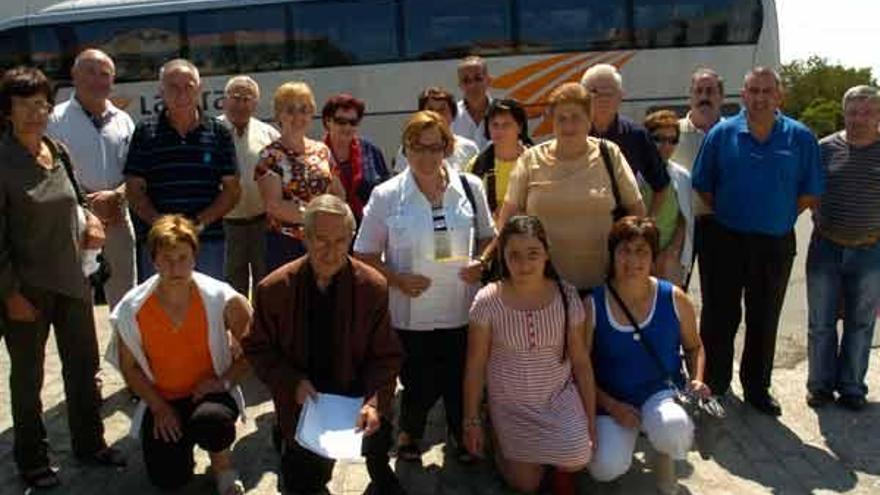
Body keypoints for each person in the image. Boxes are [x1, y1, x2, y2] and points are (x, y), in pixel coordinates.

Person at [0, 66, 125, 489]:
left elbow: (76, 201)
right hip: (26, 291)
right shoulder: (2, 161)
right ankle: (32, 460)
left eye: (41, 103)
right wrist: (10, 293)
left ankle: (90, 444)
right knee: (28, 379)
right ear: (8, 110)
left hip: (72, 282)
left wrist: (90, 220)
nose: (35, 113)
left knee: (83, 368)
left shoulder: (58, 148)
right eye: (24, 105)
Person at [354, 110, 495, 462]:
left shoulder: (469, 187)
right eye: (418, 147)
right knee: (416, 381)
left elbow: (489, 238)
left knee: (458, 378)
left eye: (435, 147)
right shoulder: (387, 195)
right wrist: (396, 279)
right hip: (409, 312)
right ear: (406, 148)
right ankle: (409, 434)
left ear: (447, 147)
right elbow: (363, 254)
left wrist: (483, 261)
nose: (426, 156)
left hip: (461, 306)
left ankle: (462, 436)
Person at [244, 195, 405, 494]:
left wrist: (372, 402)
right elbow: (257, 348)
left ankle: (378, 464)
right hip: (304, 399)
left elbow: (386, 356)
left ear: (351, 239)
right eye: (321, 240)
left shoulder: (371, 286)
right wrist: (291, 382)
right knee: (302, 483)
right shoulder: (274, 289)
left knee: (378, 433)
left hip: (356, 394)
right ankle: (287, 441)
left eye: (340, 241)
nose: (331, 253)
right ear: (304, 237)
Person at [692, 67, 824, 416]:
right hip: (725, 239)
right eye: (753, 90)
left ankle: (757, 388)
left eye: (768, 91)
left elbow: (809, 192)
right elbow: (703, 185)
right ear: (743, 95)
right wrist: (736, 215)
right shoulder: (721, 133)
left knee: (765, 317)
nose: (760, 97)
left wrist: (777, 216)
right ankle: (715, 385)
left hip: (775, 242)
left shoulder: (800, 137)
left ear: (779, 96)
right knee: (720, 315)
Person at [107, 215, 250, 494]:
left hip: (207, 394)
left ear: (194, 257)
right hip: (163, 398)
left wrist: (222, 382)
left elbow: (254, 350)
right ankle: (180, 452)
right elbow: (129, 368)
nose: (176, 267)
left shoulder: (223, 298)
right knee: (168, 479)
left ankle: (222, 467)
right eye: (167, 259)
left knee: (213, 422)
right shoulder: (132, 309)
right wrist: (159, 407)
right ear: (154, 260)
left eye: (183, 257)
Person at [463, 216, 595, 495]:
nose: (523, 265)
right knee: (526, 484)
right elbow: (475, 367)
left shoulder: (567, 296)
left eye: (532, 254)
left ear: (546, 253)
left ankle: (555, 463)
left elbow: (581, 364)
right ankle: (497, 435)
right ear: (503, 258)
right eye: (514, 256)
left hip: (556, 397)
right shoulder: (487, 301)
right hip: (511, 405)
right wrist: (471, 420)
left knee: (580, 456)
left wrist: (590, 422)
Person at [482, 82, 645, 294]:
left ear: (589, 119)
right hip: (544, 289)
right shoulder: (531, 159)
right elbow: (506, 223)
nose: (568, 125)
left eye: (576, 117)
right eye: (561, 118)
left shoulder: (609, 154)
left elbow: (637, 212)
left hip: (603, 287)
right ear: (552, 122)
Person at [587, 216, 709, 495]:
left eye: (641, 251)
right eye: (624, 251)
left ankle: (662, 454)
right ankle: (625, 447)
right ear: (612, 255)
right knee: (605, 466)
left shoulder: (674, 298)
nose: (632, 260)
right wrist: (613, 406)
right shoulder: (592, 305)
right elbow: (579, 369)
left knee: (674, 428)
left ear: (653, 258)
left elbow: (694, 347)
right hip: (612, 401)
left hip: (661, 393)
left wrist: (698, 379)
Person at [125, 59, 240, 282]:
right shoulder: (144, 132)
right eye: (173, 87)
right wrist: (163, 226)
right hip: (160, 242)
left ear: (199, 89)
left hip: (207, 242)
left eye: (188, 86)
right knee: (160, 312)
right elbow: (134, 189)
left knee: (208, 310)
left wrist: (197, 224)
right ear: (161, 91)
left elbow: (232, 190)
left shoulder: (220, 133)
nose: (181, 94)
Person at [806, 85, 880, 411]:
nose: (859, 119)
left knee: (861, 324)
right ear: (844, 113)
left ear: (878, 115)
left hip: (870, 251)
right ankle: (820, 386)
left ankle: (852, 387)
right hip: (826, 248)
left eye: (867, 112)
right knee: (821, 323)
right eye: (853, 112)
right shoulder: (823, 149)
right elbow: (810, 193)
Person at [48, 48, 136, 308]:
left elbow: (136, 170)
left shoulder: (124, 120)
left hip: (118, 217)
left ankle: (123, 348)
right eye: (90, 72)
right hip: (74, 222)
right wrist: (88, 205)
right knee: (79, 299)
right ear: (74, 75)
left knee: (125, 297)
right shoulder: (54, 120)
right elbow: (51, 173)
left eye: (104, 74)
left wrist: (117, 195)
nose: (97, 80)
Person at [254, 81, 345, 272]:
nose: (298, 116)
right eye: (290, 110)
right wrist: (319, 218)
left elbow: (338, 193)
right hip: (286, 245)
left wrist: (330, 221)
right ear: (279, 115)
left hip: (325, 243)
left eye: (304, 109)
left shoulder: (322, 151)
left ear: (312, 113)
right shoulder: (269, 156)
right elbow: (274, 206)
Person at [581, 63, 670, 217]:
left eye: (609, 93)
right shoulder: (573, 135)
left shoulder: (637, 135)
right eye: (594, 92)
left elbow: (661, 185)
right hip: (583, 226)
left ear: (621, 96)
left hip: (623, 230)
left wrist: (646, 225)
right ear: (583, 96)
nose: (602, 99)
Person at [219, 75, 279, 296]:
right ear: (224, 101)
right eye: (235, 97)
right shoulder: (212, 131)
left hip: (262, 224)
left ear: (255, 104)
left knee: (265, 283)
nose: (241, 104)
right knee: (232, 288)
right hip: (226, 226)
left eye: (247, 99)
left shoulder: (269, 134)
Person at [671, 67, 725, 288]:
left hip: (719, 225)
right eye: (699, 91)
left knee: (718, 294)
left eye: (710, 91)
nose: (704, 97)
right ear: (690, 96)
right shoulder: (671, 133)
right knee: (676, 289)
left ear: (721, 96)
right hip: (681, 223)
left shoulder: (733, 133)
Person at [642, 110, 694, 286]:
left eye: (672, 140)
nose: (666, 145)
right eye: (658, 139)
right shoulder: (633, 173)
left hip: (670, 259)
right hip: (637, 255)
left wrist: (671, 252)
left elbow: (684, 218)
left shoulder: (682, 176)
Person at [321, 93, 390, 223]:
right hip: (331, 231)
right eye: (341, 121)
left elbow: (386, 193)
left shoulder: (371, 151)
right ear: (328, 121)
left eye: (353, 122)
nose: (347, 127)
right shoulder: (316, 155)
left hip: (369, 227)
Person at [465, 98, 532, 217]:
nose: (499, 131)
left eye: (506, 125)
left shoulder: (536, 162)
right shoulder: (476, 166)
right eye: (495, 125)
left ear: (520, 127)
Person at [392, 87, 479, 173]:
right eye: (431, 110)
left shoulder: (469, 148)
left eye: (442, 109)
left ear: (452, 114)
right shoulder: (410, 147)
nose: (437, 114)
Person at [452, 56, 493, 150]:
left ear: (488, 81)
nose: (472, 85)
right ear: (460, 85)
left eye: (478, 79)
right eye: (466, 81)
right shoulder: (452, 116)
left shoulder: (503, 113)